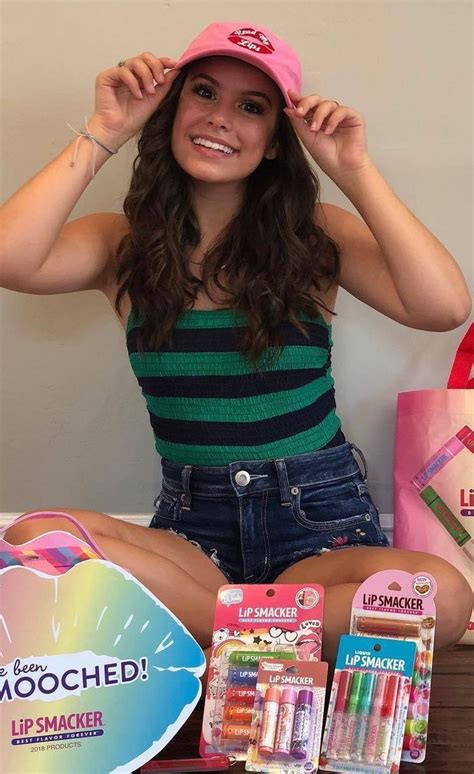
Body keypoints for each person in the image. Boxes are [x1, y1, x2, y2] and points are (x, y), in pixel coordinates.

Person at [1, 22, 472, 668]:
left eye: (252, 107)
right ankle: (269, 631)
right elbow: (10, 256)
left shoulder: (313, 238)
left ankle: (223, 631)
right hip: (198, 543)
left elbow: (443, 305)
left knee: (442, 596)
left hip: (321, 529)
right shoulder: (123, 245)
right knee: (35, 533)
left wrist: (353, 170)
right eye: (204, 93)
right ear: (172, 108)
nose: (221, 119)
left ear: (277, 140)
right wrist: (107, 130)